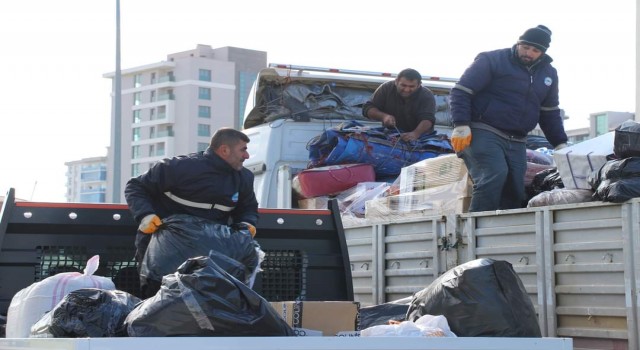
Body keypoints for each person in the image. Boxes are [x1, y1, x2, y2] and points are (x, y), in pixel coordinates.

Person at [449, 25, 568, 212]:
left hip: (518, 139)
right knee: (494, 174)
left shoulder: (549, 74)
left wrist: (560, 142)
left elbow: (549, 111)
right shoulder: (492, 60)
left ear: (543, 53)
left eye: (535, 50)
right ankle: (475, 233)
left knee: (515, 188)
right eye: (525, 47)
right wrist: (461, 124)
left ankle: (505, 236)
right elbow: (461, 91)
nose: (528, 53)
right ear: (518, 43)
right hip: (484, 130)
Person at [124, 127, 259, 273]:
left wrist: (247, 223)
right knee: (161, 293)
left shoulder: (244, 178)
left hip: (210, 252)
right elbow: (136, 186)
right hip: (164, 251)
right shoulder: (179, 167)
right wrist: (145, 215)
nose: (247, 155)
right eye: (243, 150)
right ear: (224, 150)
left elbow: (248, 207)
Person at [363, 68, 437, 142]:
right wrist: (384, 117)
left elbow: (428, 119)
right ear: (396, 82)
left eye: (411, 87)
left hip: (420, 138)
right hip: (391, 136)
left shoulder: (427, 95)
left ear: (419, 85)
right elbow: (368, 108)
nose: (407, 90)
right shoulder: (386, 88)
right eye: (403, 85)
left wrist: (415, 134)